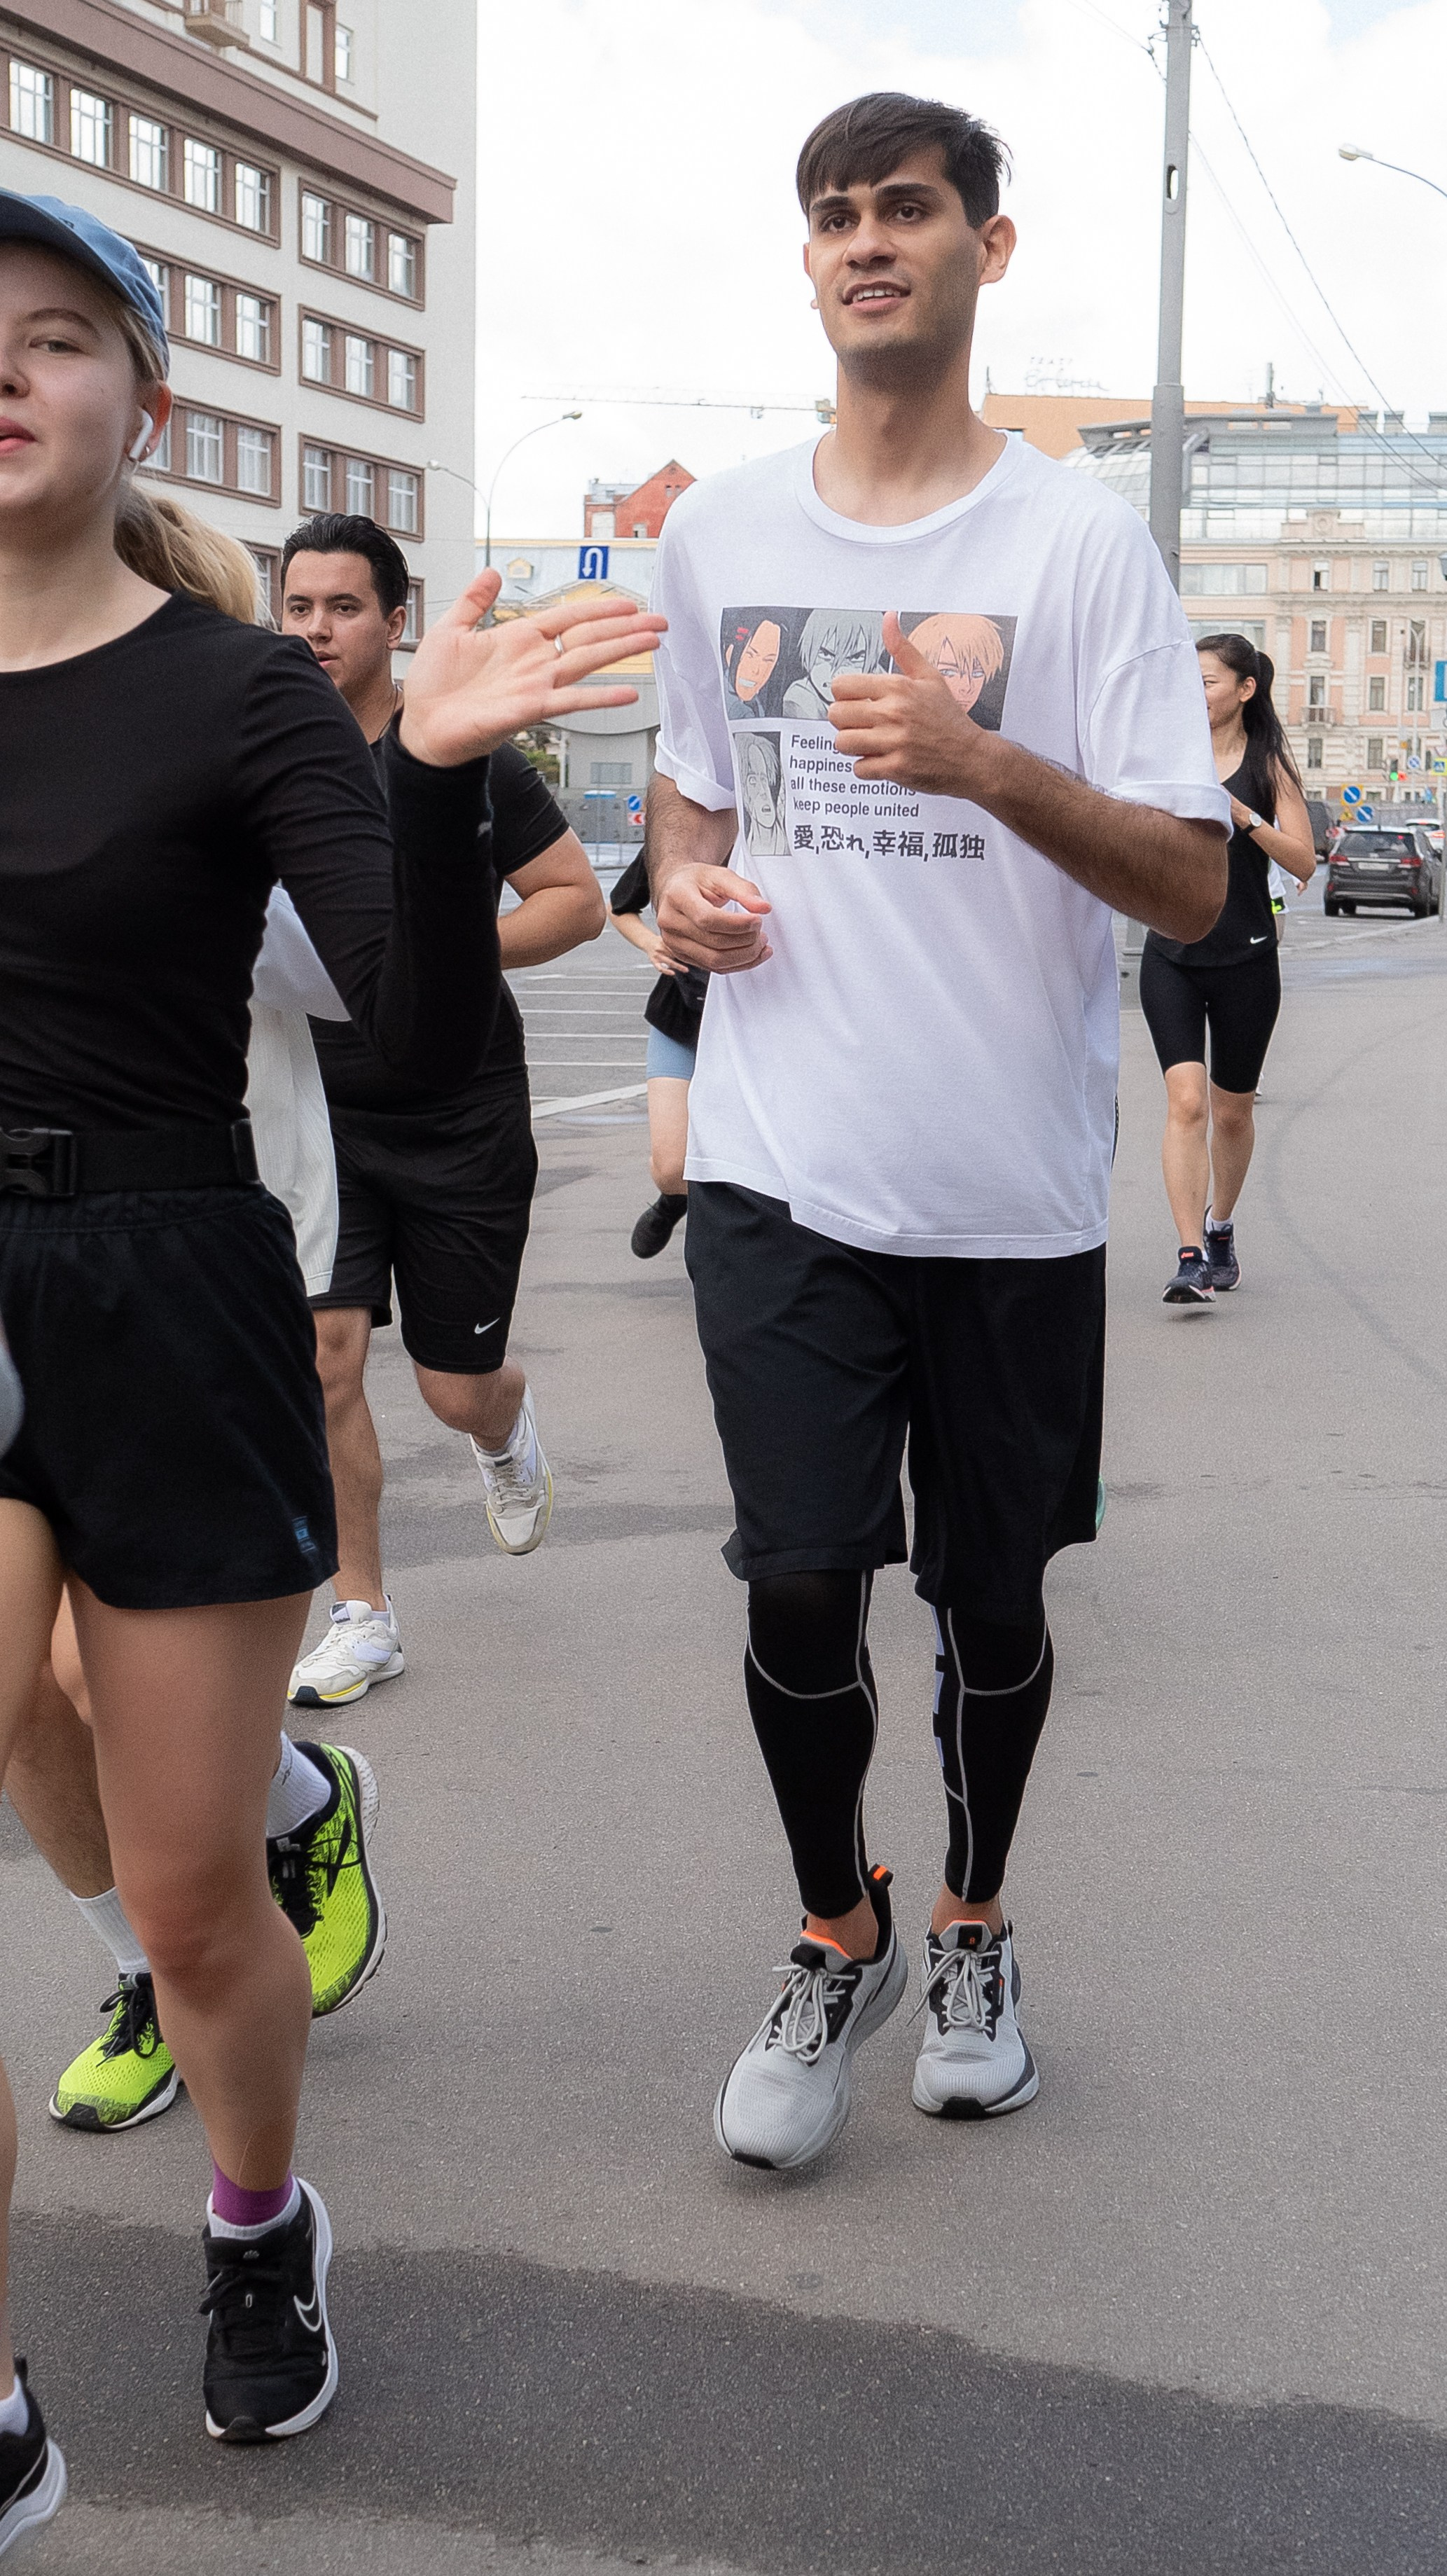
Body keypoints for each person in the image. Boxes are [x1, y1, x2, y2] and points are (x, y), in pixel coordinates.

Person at [0, 179, 663, 2473]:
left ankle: (260, 2207)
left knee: (192, 1900)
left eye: (59, 332)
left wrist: (430, 761)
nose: (8, 365)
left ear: (140, 398)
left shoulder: (238, 683)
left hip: (173, 1274)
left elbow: (393, 983)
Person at [646, 92, 1228, 2173]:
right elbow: (691, 797)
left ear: (988, 247)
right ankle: (839, 1925)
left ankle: (973, 1923)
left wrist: (982, 759)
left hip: (998, 1187)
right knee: (799, 1574)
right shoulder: (716, 530)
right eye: (831, 214)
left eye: (904, 209)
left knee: (989, 1603)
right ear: (803, 261)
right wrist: (681, 891)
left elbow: (1186, 884)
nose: (863, 241)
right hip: (777, 1153)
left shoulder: (1072, 542)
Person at [0, 490, 393, 2138]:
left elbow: (361, 979)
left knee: (106, 1695)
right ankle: (150, 1952)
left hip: (197, 1236)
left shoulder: (236, 719)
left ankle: (259, 1842)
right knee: (38, 1691)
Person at [279, 516, 607, 1708]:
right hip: (318, 1115)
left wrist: (433, 960)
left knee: (450, 1386)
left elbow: (573, 902)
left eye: (344, 607)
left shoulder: (462, 752)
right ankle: (362, 1610)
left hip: (460, 1110)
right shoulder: (265, 753)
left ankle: (502, 1424)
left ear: (395, 620)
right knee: (322, 1357)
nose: (319, 629)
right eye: (300, 606)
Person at [1139, 634, 1314, 1303]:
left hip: (1245, 958)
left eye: (1208, 680)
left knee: (1230, 1113)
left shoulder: (1268, 764)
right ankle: (1189, 1256)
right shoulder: (1169, 755)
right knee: (1185, 1102)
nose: (1196, 691)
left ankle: (1220, 1228)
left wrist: (1244, 818)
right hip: (1171, 953)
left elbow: (1303, 861)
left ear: (1245, 690)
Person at [608, 849, 707, 1257]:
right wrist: (652, 944)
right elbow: (620, 908)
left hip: (771, 1023)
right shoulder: (682, 835)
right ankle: (674, 1201)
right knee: (672, 1168)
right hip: (683, 1016)